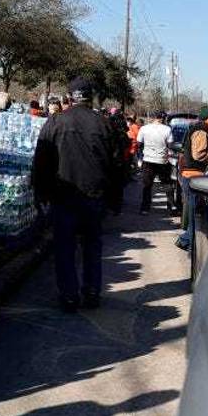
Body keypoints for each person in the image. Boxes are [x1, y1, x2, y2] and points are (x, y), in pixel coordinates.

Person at [34, 94, 121, 312]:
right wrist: (114, 197)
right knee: (92, 246)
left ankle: (69, 296)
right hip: (94, 196)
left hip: (63, 197)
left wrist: (40, 192)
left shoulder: (56, 121)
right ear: (90, 98)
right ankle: (92, 292)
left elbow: (42, 159)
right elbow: (117, 162)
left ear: (70, 99)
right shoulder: (103, 123)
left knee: (64, 248)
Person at [175, 105, 208, 250]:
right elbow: (198, 154)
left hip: (191, 175)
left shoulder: (200, 129)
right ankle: (186, 241)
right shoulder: (201, 131)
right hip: (193, 176)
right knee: (194, 211)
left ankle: (186, 239)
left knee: (193, 210)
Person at [136, 112, 173, 215]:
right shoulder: (167, 129)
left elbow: (139, 143)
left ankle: (145, 208)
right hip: (162, 160)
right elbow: (170, 144)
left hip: (148, 160)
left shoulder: (144, 128)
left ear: (153, 118)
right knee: (167, 183)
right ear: (162, 118)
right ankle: (171, 206)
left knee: (147, 185)